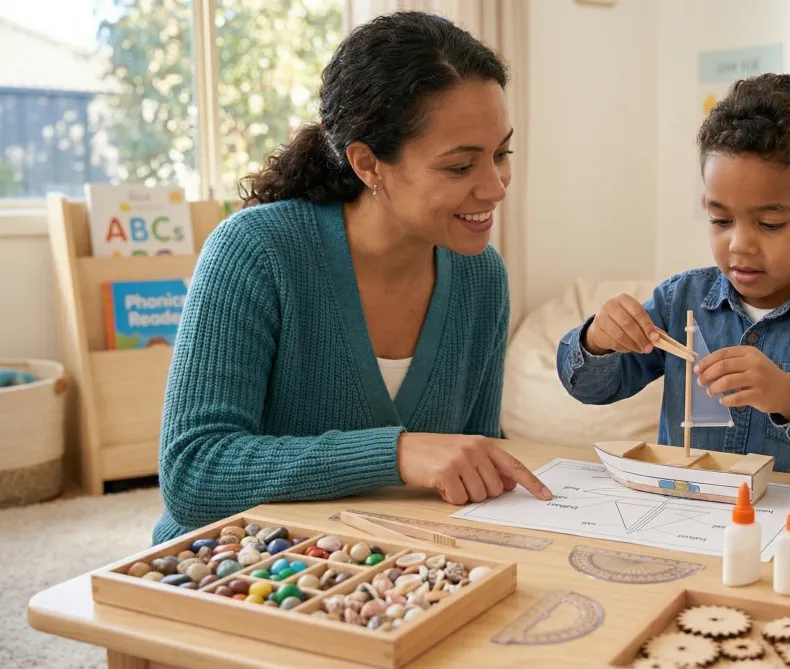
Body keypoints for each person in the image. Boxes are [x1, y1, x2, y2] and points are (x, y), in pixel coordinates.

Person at [152, 11, 551, 545]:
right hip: (231, 570)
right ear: (368, 164)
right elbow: (192, 472)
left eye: (501, 154)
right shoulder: (255, 251)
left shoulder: (481, 277)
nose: (496, 187)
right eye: (460, 167)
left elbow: (463, 465)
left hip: (391, 573)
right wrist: (396, 452)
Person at [556, 73, 790, 480]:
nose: (739, 244)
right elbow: (588, 387)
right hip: (686, 516)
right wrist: (597, 341)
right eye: (720, 219)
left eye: (770, 223)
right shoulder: (681, 300)